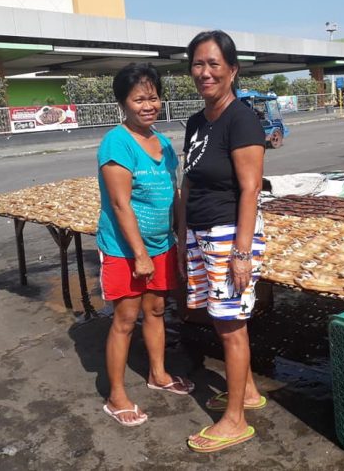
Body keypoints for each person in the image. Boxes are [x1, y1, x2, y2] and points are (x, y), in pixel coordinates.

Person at [179, 30, 267, 452]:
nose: (205, 72)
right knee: (219, 316)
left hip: (230, 234)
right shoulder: (197, 122)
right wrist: (183, 240)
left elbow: (250, 189)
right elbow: (190, 182)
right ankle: (246, 393)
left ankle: (235, 420)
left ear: (232, 70)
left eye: (214, 64)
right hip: (201, 233)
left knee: (231, 326)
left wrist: (242, 253)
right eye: (198, 64)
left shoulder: (242, 118)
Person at [96, 63, 194, 427]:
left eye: (152, 97)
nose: (147, 105)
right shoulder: (116, 143)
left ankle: (158, 374)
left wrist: (179, 240)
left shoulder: (164, 142)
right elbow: (121, 204)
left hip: (161, 244)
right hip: (126, 249)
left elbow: (175, 192)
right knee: (124, 319)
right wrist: (139, 255)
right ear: (123, 102)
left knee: (155, 311)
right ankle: (115, 394)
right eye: (139, 99)